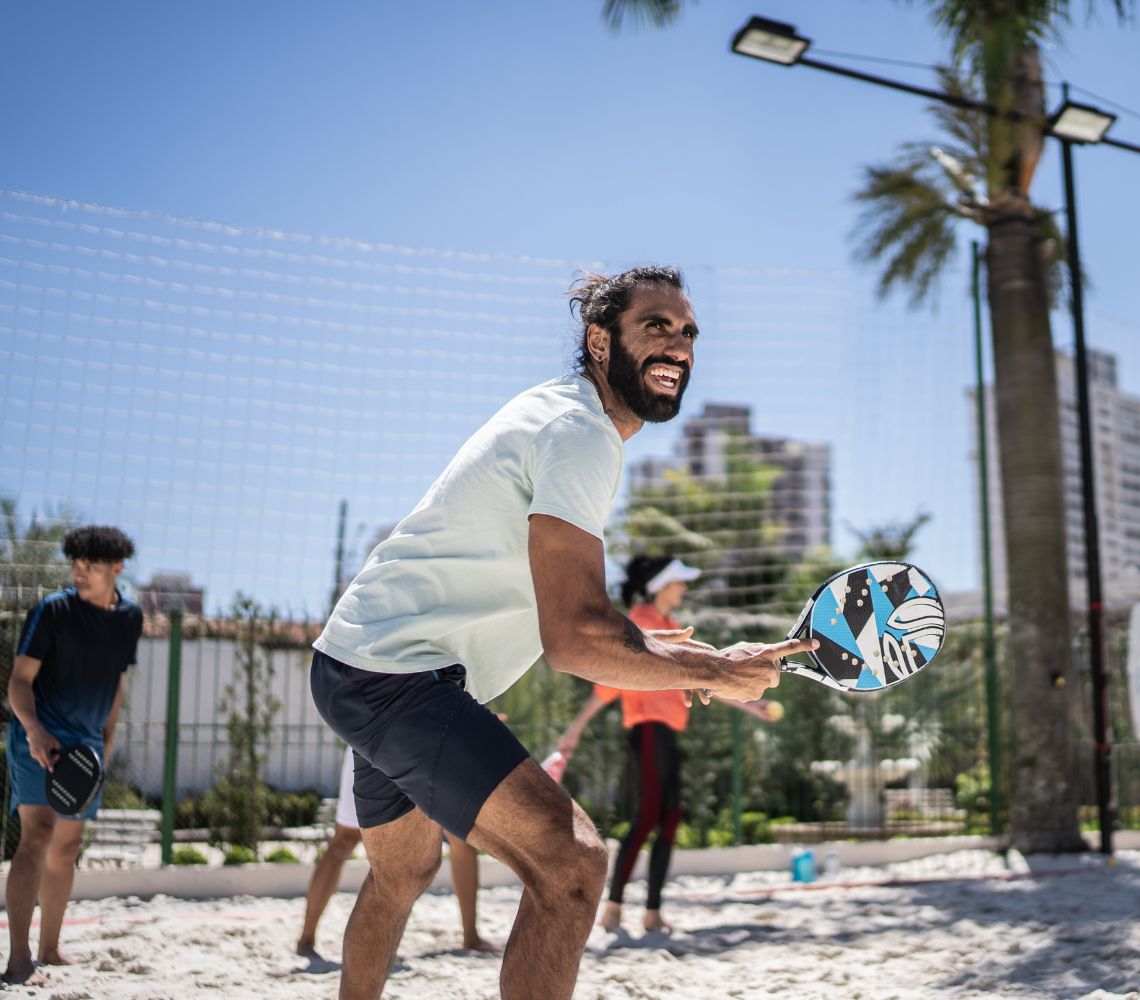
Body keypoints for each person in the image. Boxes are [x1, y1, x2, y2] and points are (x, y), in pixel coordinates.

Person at [307, 265, 815, 1000]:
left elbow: (567, 615)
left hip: (362, 660)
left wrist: (685, 655)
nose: (678, 346)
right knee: (573, 865)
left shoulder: (561, 411)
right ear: (599, 340)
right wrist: (713, 674)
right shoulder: (580, 432)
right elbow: (576, 638)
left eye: (688, 332)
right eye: (656, 327)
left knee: (402, 871)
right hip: (397, 677)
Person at [557, 554, 778, 935]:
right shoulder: (641, 623)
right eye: (679, 581)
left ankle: (652, 912)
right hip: (646, 731)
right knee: (647, 818)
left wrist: (750, 704)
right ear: (660, 585)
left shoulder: (672, 627)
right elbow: (607, 684)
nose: (685, 588)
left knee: (670, 818)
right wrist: (574, 730)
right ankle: (613, 908)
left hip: (667, 733)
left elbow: (701, 676)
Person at [5, 525, 142, 986]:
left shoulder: (130, 618)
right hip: (39, 737)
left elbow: (116, 682)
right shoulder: (53, 611)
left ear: (117, 568)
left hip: (85, 747)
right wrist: (34, 730)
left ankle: (50, 948)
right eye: (75, 565)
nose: (79, 574)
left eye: (91, 566)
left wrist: (106, 740)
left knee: (67, 848)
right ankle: (19, 959)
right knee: (37, 836)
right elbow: (19, 681)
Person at [296, 748, 498, 960]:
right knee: (344, 841)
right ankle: (306, 938)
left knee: (461, 835)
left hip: (428, 742)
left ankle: (471, 936)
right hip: (379, 738)